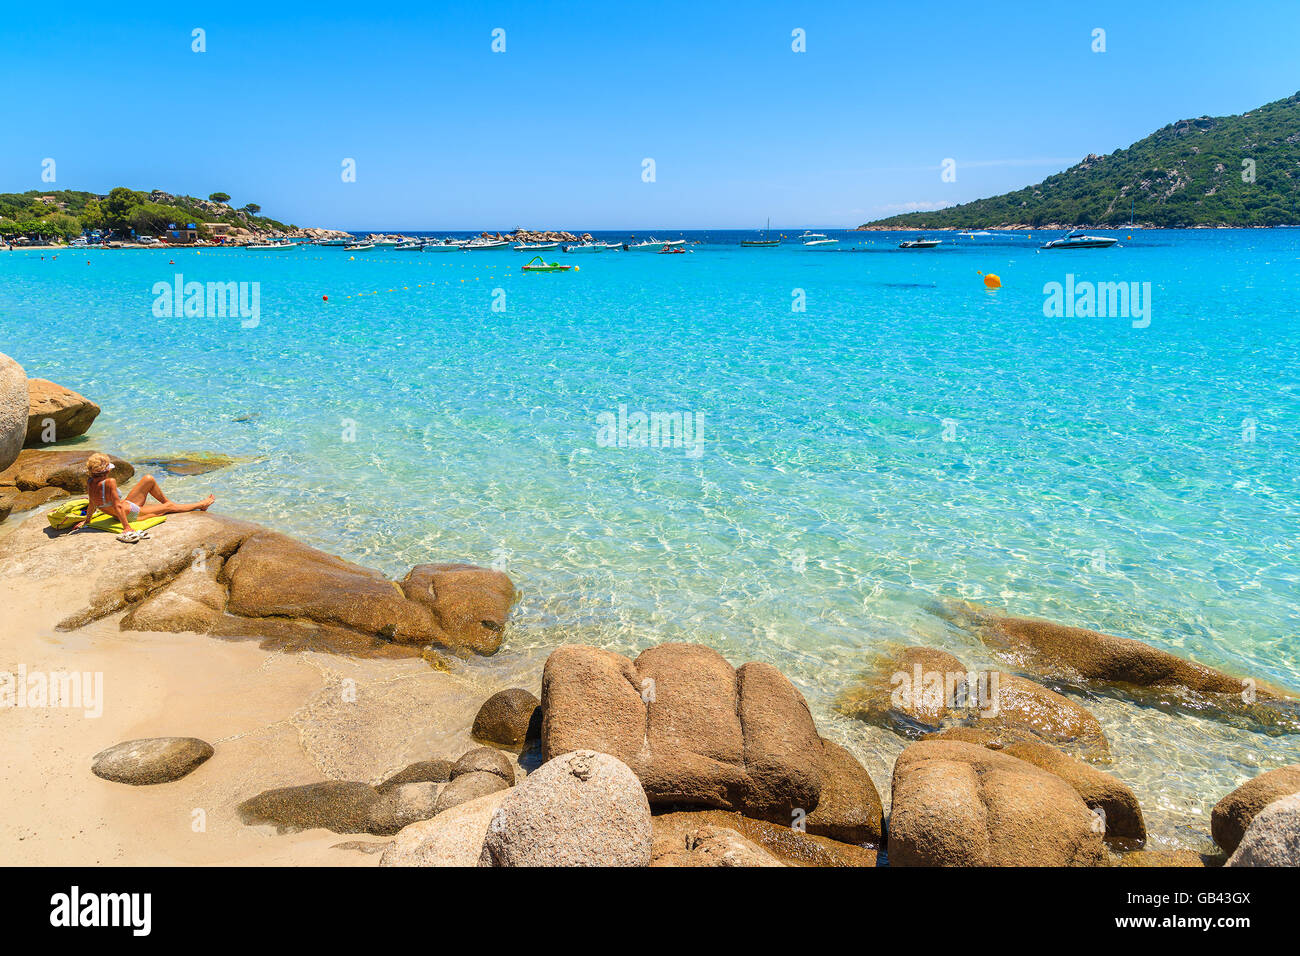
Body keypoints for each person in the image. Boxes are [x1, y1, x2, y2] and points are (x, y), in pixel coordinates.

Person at [70, 453, 215, 532]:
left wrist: (87, 521)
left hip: (126, 507)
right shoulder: (109, 482)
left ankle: (166, 503)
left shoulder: (90, 482)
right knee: (169, 508)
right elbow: (118, 506)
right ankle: (202, 504)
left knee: (148, 479)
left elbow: (92, 504)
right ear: (107, 470)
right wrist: (127, 527)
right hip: (131, 513)